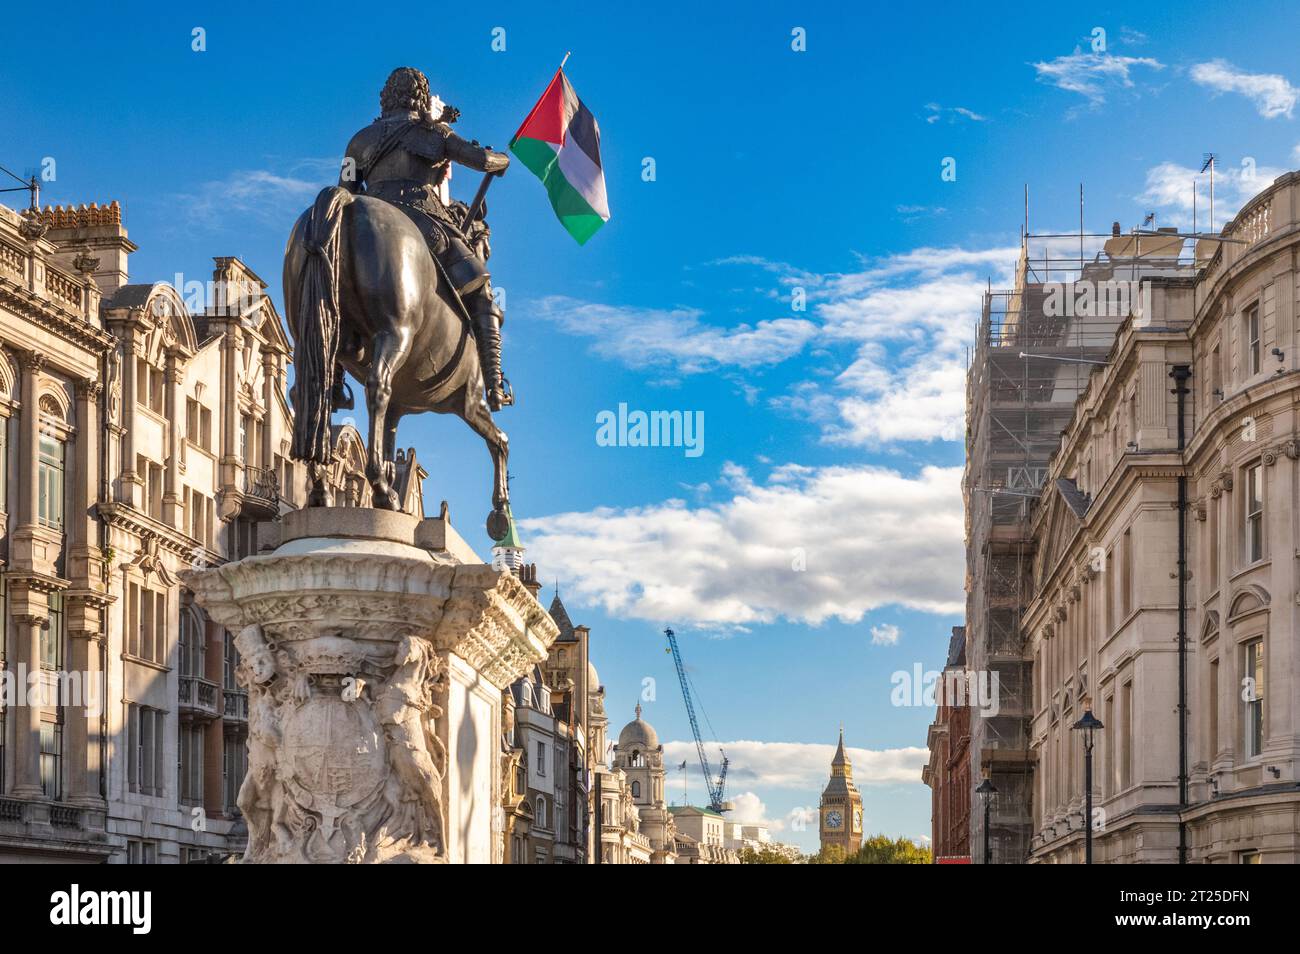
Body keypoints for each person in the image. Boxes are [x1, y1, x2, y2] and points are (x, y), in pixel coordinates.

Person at [338, 66, 513, 410]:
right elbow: (481, 160)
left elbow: (345, 189)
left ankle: (333, 382)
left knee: (330, 286)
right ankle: (494, 386)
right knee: (482, 290)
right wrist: (501, 160)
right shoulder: (434, 133)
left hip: (363, 217)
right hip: (424, 221)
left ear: (386, 98)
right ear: (421, 97)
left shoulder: (358, 141)